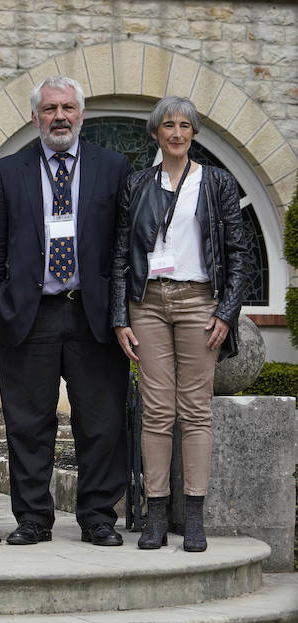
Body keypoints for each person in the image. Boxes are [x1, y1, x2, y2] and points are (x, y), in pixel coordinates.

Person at [0, 75, 132, 547]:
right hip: (29, 315)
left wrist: (122, 310)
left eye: (67, 108)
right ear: (34, 117)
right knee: (28, 424)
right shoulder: (8, 171)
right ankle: (33, 519)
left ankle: (98, 517)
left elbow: (126, 244)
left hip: (94, 315)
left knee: (101, 422)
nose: (59, 116)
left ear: (81, 114)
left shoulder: (114, 167)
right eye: (50, 109)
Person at [111, 96, 247, 552]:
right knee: (156, 411)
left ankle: (194, 517)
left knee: (195, 411)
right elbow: (120, 253)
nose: (176, 133)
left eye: (184, 125)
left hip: (198, 302)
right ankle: (154, 515)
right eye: (168, 125)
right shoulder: (137, 184)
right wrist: (119, 317)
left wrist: (226, 312)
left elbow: (238, 254)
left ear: (193, 133)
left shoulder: (217, 183)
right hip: (147, 303)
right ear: (156, 132)